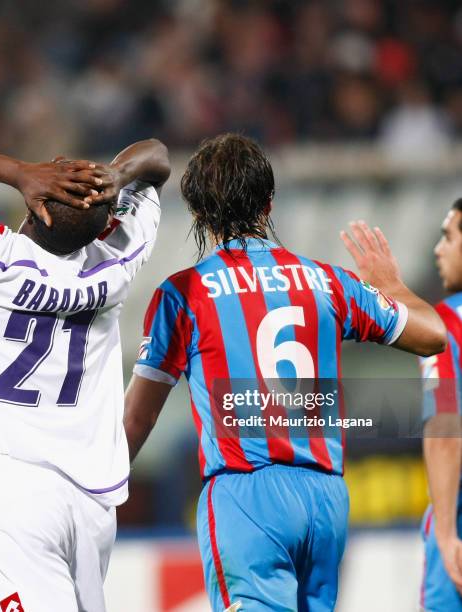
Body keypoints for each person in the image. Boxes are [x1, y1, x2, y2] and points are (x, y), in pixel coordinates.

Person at [124, 133, 445, 612]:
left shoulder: (184, 293)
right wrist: (394, 286)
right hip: (325, 497)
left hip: (246, 495)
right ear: (269, 204)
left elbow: (139, 418)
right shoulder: (327, 280)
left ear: (195, 214)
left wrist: (97, 488)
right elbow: (433, 335)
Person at [0, 133, 170, 612]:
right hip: (93, 500)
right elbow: (158, 158)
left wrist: (19, 170)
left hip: (17, 493)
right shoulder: (117, 261)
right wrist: (115, 177)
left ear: (38, 207)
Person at [420, 199, 462, 611]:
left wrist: (447, 535)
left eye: (449, 236)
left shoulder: (448, 324)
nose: (438, 248)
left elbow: (445, 424)